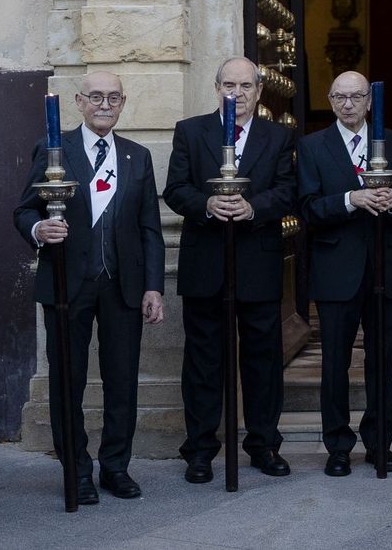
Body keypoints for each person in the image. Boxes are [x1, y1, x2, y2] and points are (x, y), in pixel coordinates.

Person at [14, 72, 166, 505]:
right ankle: (76, 469)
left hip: (123, 287)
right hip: (67, 285)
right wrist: (39, 228)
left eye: (113, 97)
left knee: (123, 381)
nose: (105, 104)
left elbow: (149, 229)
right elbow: (23, 210)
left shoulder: (136, 156)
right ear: (79, 102)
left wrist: (153, 287)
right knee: (68, 380)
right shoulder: (53, 148)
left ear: (123, 103)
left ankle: (116, 466)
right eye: (96, 96)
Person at [164, 57, 296, 484]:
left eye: (245, 86)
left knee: (263, 362)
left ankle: (263, 445)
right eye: (228, 85)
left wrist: (253, 207)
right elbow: (175, 189)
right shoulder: (191, 131)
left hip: (258, 263)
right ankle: (200, 451)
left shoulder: (279, 136)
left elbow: (289, 191)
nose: (236, 94)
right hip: (206, 264)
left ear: (259, 91)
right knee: (203, 363)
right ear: (216, 86)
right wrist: (207, 204)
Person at [297, 71, 392, 476]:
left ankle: (380, 444)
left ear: (370, 102)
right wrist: (351, 199)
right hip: (335, 269)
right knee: (334, 362)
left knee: (381, 360)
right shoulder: (312, 146)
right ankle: (338, 447)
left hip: (385, 265)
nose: (348, 104)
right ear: (330, 101)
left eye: (356, 97)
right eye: (340, 97)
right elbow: (308, 208)